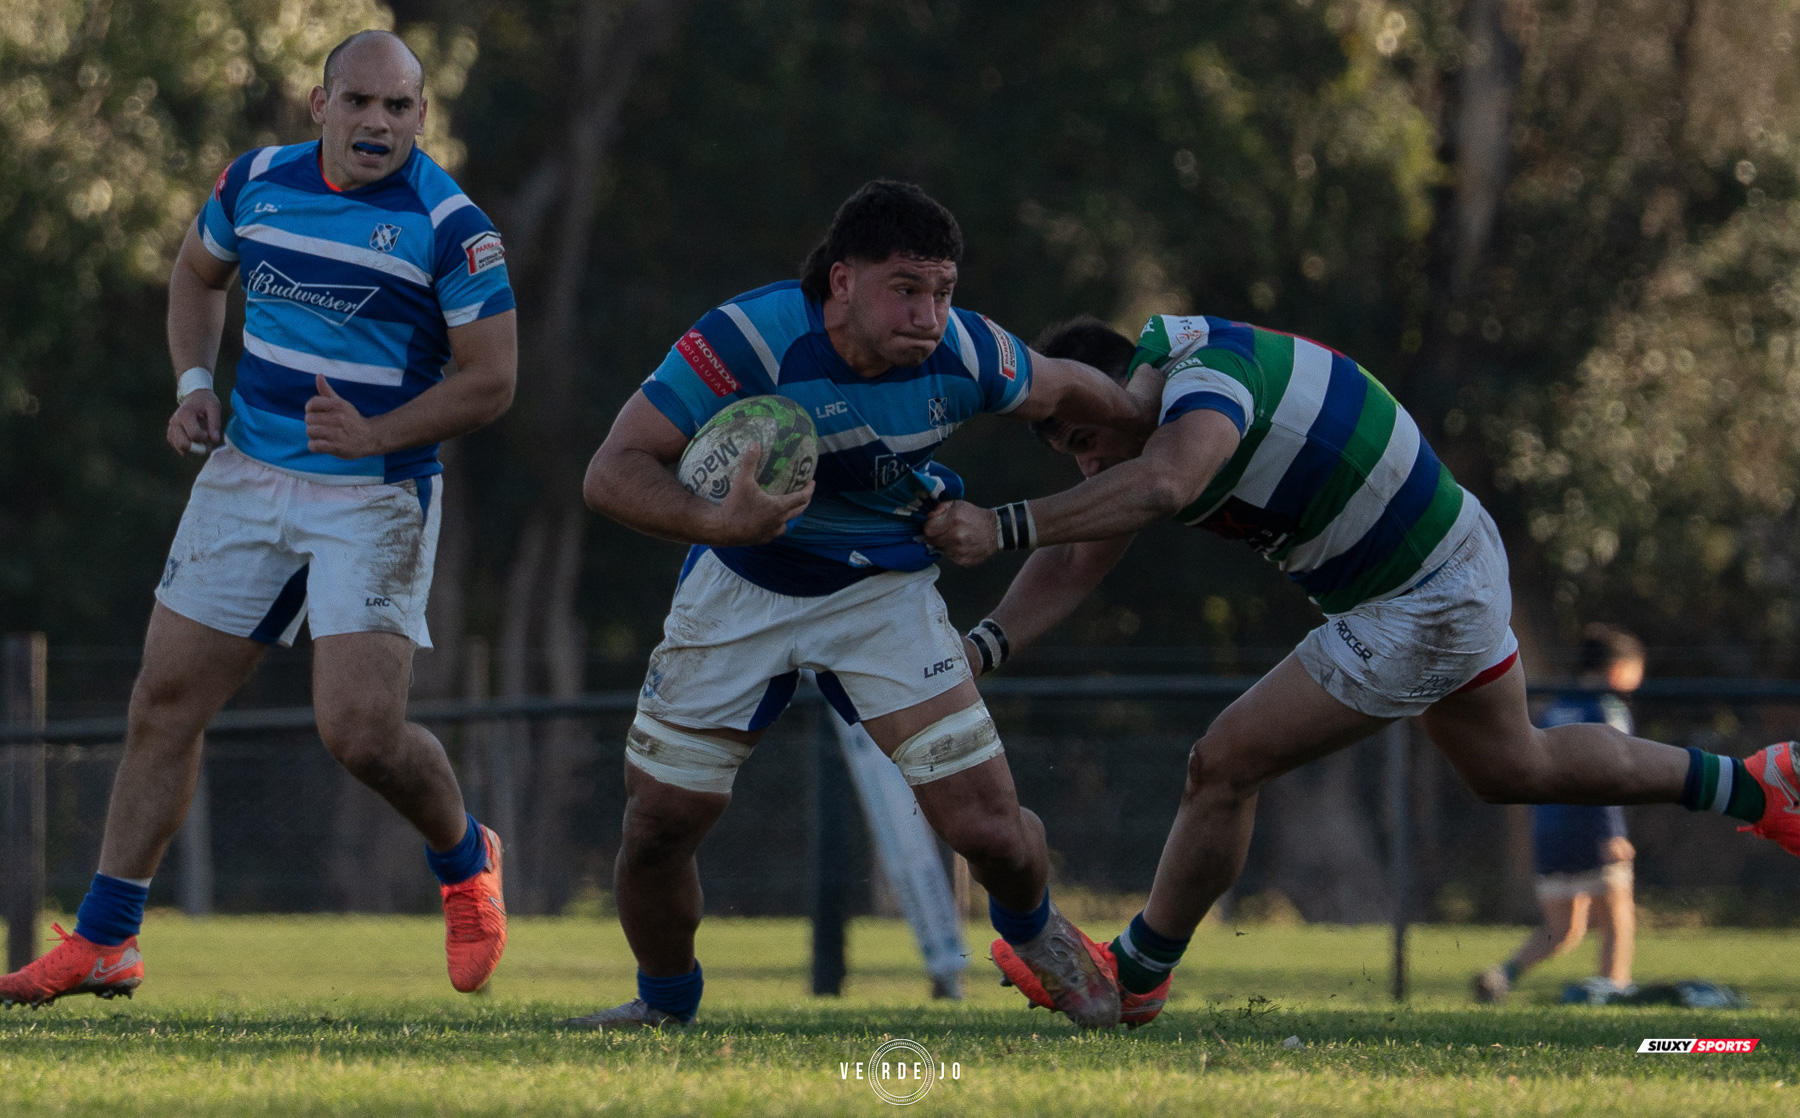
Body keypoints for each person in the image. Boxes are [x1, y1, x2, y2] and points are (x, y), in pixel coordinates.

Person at [922, 314, 1800, 1029]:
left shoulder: (1202, 380)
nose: (1083, 465)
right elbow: (1084, 553)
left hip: (1418, 596)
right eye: (1066, 454)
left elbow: (1164, 488)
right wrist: (982, 647)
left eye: (1083, 438)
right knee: (1513, 767)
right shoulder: (1152, 409)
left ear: (1112, 391)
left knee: (1222, 765)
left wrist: (999, 524)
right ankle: (1761, 786)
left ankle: (1138, 976)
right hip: (1447, 557)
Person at [0, 31, 517, 1007]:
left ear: (420, 117)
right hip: (246, 473)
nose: (377, 123)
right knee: (164, 701)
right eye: (359, 101)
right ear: (319, 105)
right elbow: (197, 276)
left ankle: (464, 856)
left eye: (399, 108)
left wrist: (377, 433)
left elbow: (494, 380)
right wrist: (195, 381)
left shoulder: (452, 226)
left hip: (377, 492)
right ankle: (109, 939)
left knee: (360, 731)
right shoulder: (255, 181)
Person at [570, 182, 1153, 1030]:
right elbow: (611, 470)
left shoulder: (972, 354)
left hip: (885, 587)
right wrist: (714, 520)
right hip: (744, 580)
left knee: (988, 831)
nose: (930, 314)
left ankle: (1036, 934)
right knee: (658, 824)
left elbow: (1067, 386)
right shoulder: (746, 340)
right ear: (842, 282)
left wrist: (1141, 423)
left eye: (943, 291)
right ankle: (664, 1008)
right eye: (907, 289)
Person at [1475, 624, 1645, 1004]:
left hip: (1549, 830)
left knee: (1562, 927)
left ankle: (1501, 976)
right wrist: (1611, 832)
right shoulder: (1607, 709)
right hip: (1592, 828)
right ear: (1619, 670)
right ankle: (1612, 993)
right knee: (1617, 918)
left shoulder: (1553, 708)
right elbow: (1610, 775)